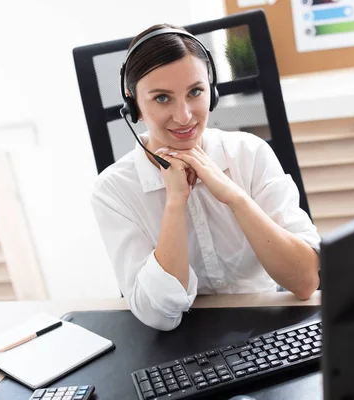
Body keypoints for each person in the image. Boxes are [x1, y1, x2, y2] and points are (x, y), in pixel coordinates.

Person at [91, 23, 320, 331]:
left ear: (211, 92)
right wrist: (175, 202)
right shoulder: (113, 190)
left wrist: (235, 197)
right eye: (162, 98)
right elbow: (158, 317)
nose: (184, 115)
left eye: (195, 92)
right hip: (176, 347)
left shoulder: (249, 153)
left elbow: (305, 281)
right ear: (134, 106)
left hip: (264, 328)